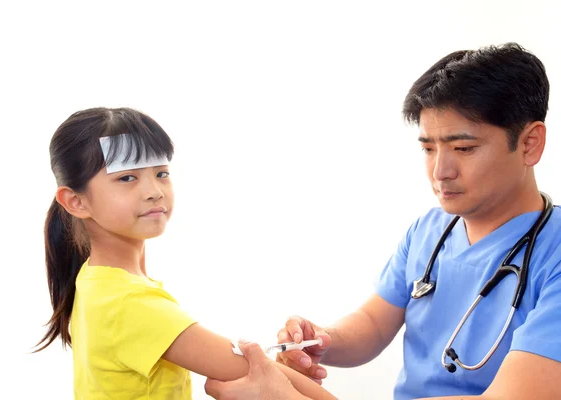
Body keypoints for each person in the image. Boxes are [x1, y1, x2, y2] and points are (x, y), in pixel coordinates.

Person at [205, 42, 561, 399]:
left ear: (530, 143)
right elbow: (374, 324)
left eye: (463, 149)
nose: (440, 171)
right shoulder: (429, 232)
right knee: (252, 375)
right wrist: (321, 339)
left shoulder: (554, 251)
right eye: (428, 148)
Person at [34, 107, 337, 400]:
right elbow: (255, 370)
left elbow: (263, 375)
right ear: (75, 202)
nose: (154, 191)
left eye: (161, 173)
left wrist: (276, 378)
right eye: (127, 178)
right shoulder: (131, 303)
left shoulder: (97, 279)